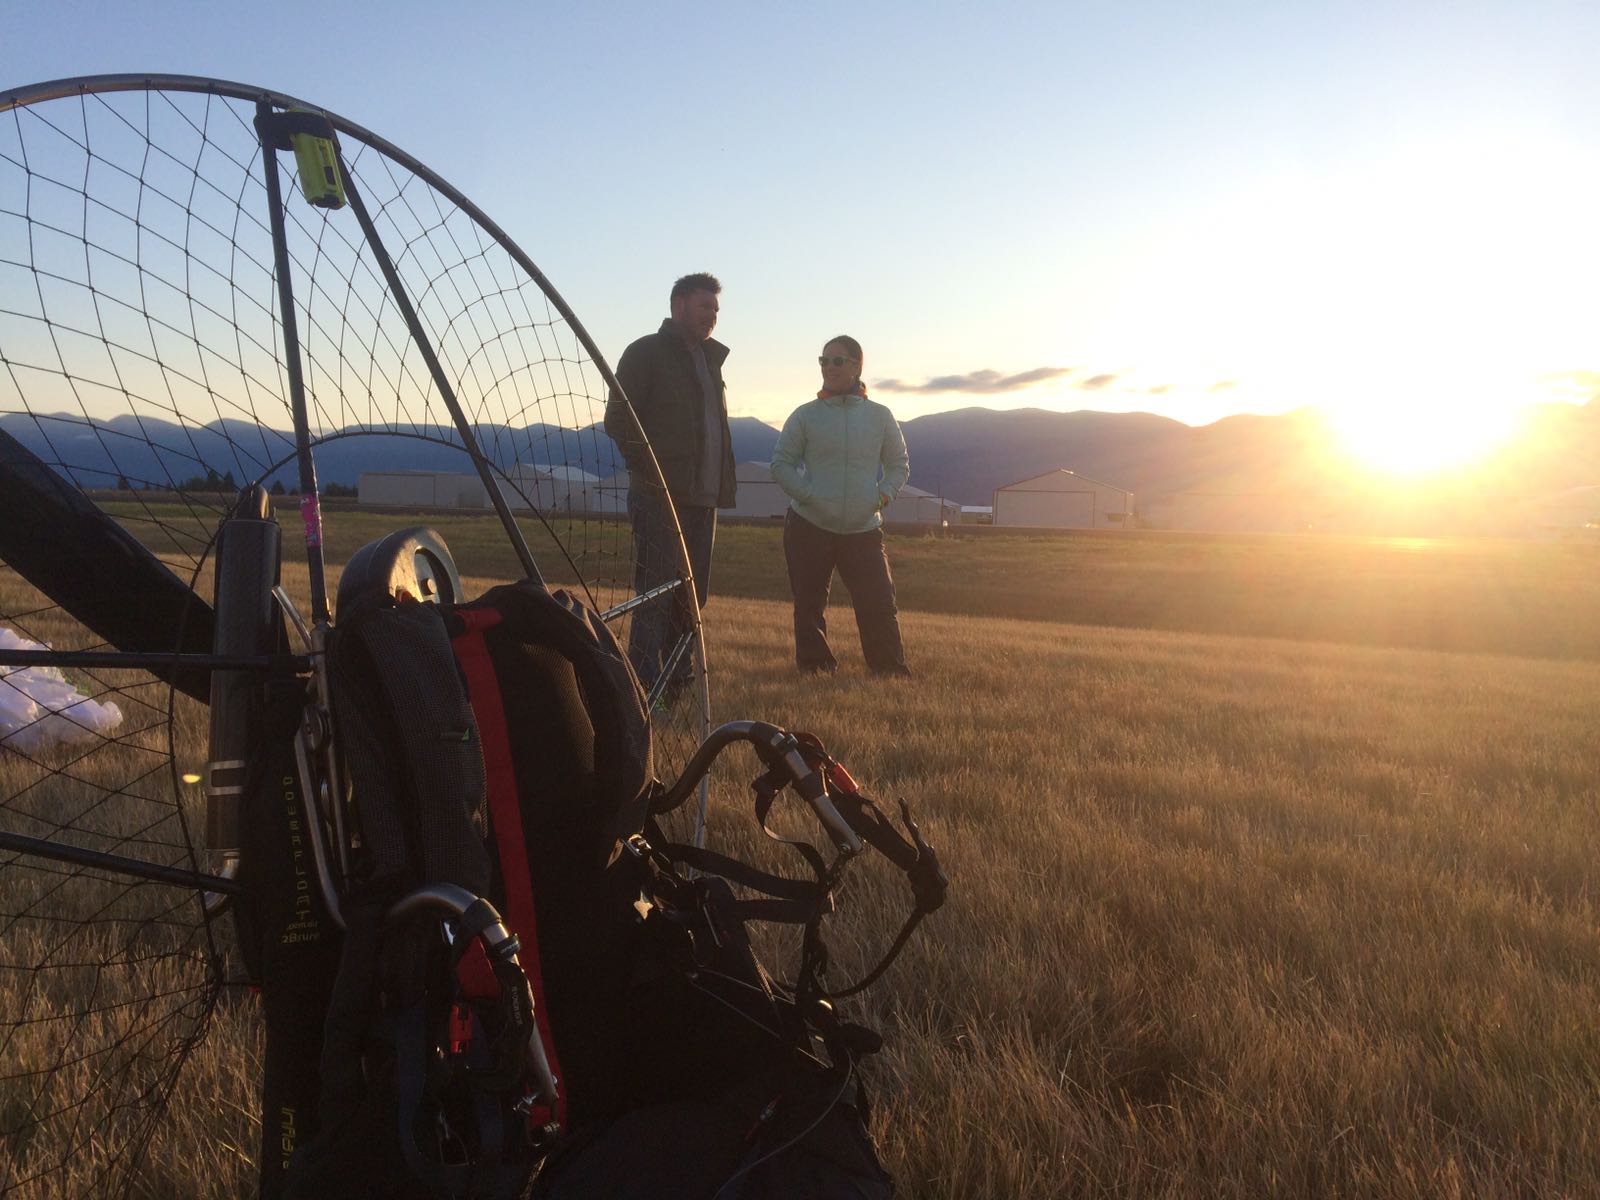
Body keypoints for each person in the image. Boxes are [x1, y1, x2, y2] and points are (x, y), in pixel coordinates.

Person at [603, 272, 736, 695]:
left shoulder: (711, 361)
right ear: (678, 305)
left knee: (693, 597)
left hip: (704, 499)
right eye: (705, 307)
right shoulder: (645, 353)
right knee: (654, 596)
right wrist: (653, 475)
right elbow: (619, 421)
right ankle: (642, 686)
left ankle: (676, 684)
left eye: (716, 309)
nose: (712, 317)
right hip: (660, 498)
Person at [770, 335, 912, 677]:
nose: (829, 368)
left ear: (857, 366)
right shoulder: (806, 415)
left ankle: (889, 671)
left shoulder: (880, 416)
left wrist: (881, 497)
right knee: (809, 604)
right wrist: (808, 495)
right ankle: (815, 668)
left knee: (879, 603)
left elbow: (899, 465)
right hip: (809, 524)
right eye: (824, 361)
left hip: (864, 527)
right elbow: (781, 463)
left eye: (838, 361)